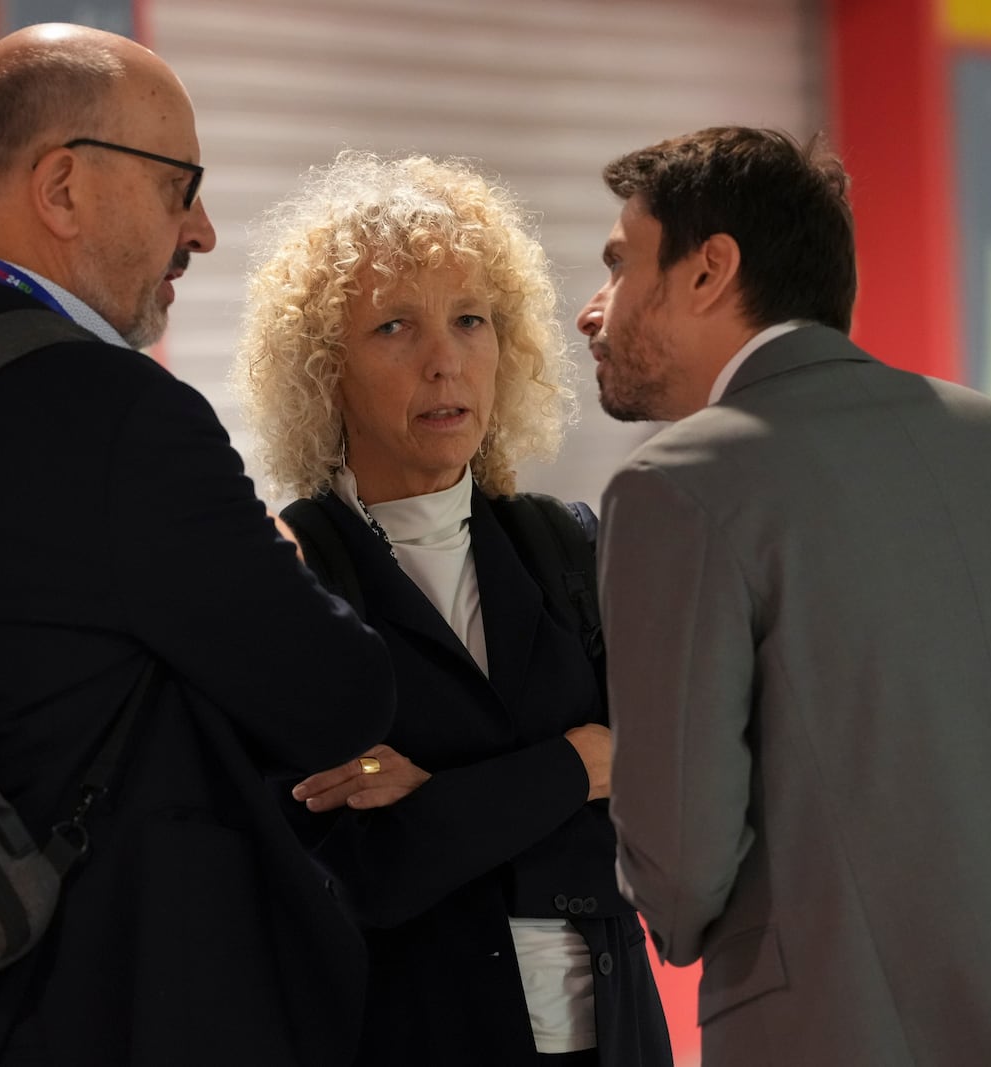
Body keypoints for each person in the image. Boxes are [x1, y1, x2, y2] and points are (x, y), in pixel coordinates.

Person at [0, 24, 393, 1067]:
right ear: (64, 187)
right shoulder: (118, 414)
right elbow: (337, 697)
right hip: (100, 1004)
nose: (200, 230)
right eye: (179, 187)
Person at [578, 127, 991, 1066]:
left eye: (619, 263)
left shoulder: (677, 486)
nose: (592, 309)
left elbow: (684, 873)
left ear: (709, 271)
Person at [233, 152, 671, 1067]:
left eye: (471, 320)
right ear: (325, 370)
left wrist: (439, 796)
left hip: (617, 1036)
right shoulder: (291, 571)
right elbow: (363, 874)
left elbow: (663, 800)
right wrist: (572, 764)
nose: (445, 361)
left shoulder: (566, 544)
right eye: (395, 326)